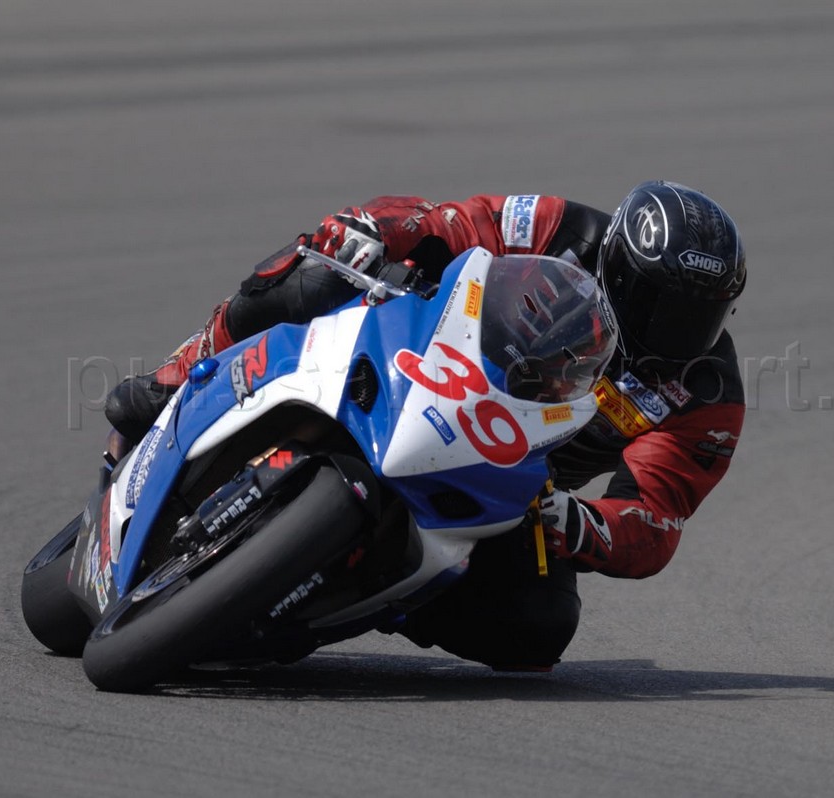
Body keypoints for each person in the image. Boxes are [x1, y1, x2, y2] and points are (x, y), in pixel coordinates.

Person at [105, 181, 747, 670]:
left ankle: (386, 594)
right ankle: (176, 379)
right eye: (663, 305)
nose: (680, 331)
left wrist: (581, 524)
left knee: (539, 630)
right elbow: (450, 223)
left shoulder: (706, 393)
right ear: (620, 265)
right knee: (310, 272)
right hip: (422, 359)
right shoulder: (561, 227)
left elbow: (655, 517)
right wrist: (373, 232)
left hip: (513, 485)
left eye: (704, 315)